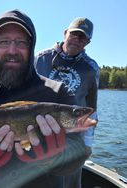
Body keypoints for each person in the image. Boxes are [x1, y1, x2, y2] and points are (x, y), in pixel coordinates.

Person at [0, 10, 95, 188]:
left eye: (21, 42)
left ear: (31, 48)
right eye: (3, 42)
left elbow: (80, 149)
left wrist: (57, 156)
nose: (12, 50)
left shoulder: (60, 92)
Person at [35, 17, 99, 188]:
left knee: (69, 181)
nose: (77, 40)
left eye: (82, 37)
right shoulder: (40, 59)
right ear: (65, 33)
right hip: (37, 132)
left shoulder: (91, 68)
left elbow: (92, 108)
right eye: (73, 34)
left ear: (88, 42)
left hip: (71, 139)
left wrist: (88, 144)